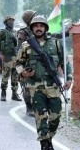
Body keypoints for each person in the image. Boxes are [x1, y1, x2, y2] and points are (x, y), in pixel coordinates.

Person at [15, 15, 72, 150]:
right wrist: (23, 73)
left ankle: (48, 138)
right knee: (40, 117)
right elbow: (18, 64)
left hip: (53, 86)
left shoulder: (56, 43)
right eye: (36, 26)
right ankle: (44, 144)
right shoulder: (26, 45)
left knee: (55, 117)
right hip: (36, 87)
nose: (38, 28)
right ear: (32, 28)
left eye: (41, 26)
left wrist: (69, 79)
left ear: (45, 28)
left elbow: (66, 63)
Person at [0, 16, 22, 102]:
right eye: (10, 21)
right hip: (7, 57)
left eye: (13, 21)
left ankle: (14, 94)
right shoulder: (3, 32)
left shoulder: (14, 32)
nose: (12, 22)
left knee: (15, 76)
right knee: (5, 75)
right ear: (6, 22)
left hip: (15, 57)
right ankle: (3, 93)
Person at [17, 10, 37, 117]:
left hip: (37, 62)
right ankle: (29, 108)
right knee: (26, 87)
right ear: (29, 19)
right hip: (26, 62)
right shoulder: (23, 32)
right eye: (34, 16)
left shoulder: (38, 28)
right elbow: (19, 48)